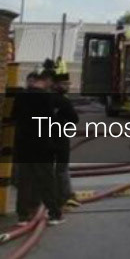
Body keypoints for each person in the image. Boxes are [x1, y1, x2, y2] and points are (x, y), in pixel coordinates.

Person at [12, 70, 64, 225]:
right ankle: (54, 214)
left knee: (24, 182)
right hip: (41, 145)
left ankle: (22, 216)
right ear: (47, 80)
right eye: (51, 83)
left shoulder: (21, 96)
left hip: (23, 145)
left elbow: (14, 116)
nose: (51, 86)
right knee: (46, 180)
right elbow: (50, 122)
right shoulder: (46, 97)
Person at [49, 62, 80, 210]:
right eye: (65, 83)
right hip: (60, 139)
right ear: (56, 84)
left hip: (42, 139)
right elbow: (74, 119)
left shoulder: (43, 98)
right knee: (62, 169)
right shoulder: (63, 101)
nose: (67, 86)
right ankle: (65, 197)